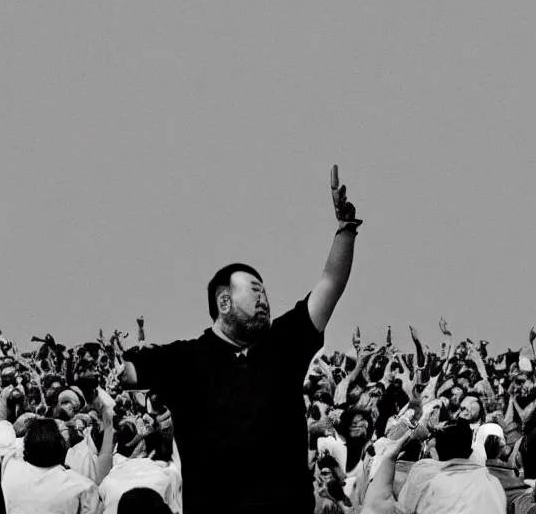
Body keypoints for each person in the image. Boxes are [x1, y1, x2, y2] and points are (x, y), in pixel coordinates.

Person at [119, 165, 364, 513]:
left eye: (266, 291)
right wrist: (125, 368)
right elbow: (126, 373)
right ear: (224, 302)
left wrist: (346, 230)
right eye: (254, 291)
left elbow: (330, 284)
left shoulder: (283, 343)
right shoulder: (183, 359)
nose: (265, 298)